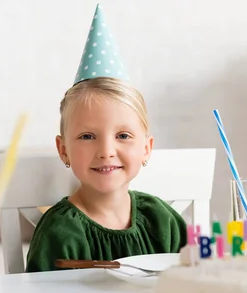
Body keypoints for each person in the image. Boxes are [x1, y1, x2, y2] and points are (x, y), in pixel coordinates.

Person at [26, 4, 187, 273]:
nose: (106, 150)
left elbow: (192, 282)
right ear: (63, 150)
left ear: (146, 149)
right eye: (88, 136)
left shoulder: (162, 220)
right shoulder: (60, 232)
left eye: (123, 135)